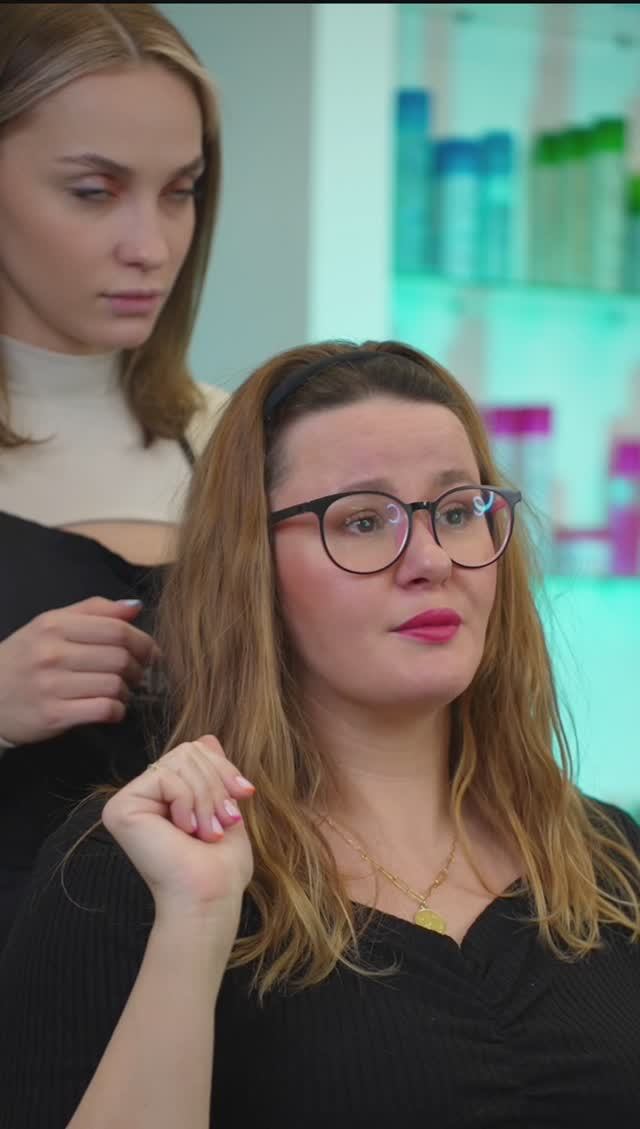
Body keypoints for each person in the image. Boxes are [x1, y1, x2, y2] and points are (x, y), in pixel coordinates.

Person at [1, 340, 639, 1129]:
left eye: (457, 511)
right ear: (252, 569)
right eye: (364, 520)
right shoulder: (132, 873)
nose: (431, 560)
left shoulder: (606, 857)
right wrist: (194, 925)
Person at [0, 2, 228, 949]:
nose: (152, 245)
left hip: (227, 976)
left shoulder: (236, 437)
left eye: (181, 191)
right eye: (95, 192)